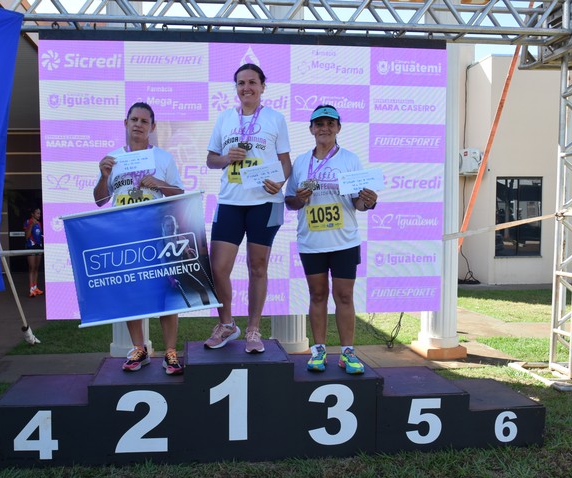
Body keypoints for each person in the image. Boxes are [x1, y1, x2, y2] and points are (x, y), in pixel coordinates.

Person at [204, 63, 292, 354]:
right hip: (230, 200)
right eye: (241, 83)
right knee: (218, 268)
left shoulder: (275, 119)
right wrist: (226, 157)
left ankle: (253, 329)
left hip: (264, 203)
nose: (246, 88)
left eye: (252, 82)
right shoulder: (225, 119)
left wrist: (279, 183)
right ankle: (227, 324)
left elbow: (285, 162)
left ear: (263, 86)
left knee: (257, 267)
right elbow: (210, 160)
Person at [93, 102, 185, 375]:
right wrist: (103, 175)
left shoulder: (163, 158)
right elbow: (100, 200)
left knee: (165, 294)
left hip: (157, 234)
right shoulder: (112, 159)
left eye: (144, 121)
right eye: (134, 119)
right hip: (124, 235)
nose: (138, 125)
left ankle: (170, 351)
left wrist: (160, 185)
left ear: (152, 127)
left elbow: (179, 192)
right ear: (125, 123)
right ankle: (139, 348)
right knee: (131, 292)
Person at [284, 105, 378, 374]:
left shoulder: (350, 160)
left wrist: (368, 202)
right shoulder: (302, 162)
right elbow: (290, 202)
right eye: (319, 123)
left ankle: (347, 352)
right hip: (312, 241)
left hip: (344, 241)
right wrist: (299, 199)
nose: (324, 128)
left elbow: (357, 202)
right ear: (311, 128)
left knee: (344, 296)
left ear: (338, 127)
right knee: (317, 295)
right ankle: (318, 350)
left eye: (330, 123)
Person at [24, 207, 44, 298]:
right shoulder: (28, 222)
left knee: (36, 267)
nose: (39, 215)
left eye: (39, 213)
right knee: (31, 267)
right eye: (37, 213)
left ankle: (35, 287)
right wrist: (31, 225)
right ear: (32, 214)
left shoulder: (39, 223)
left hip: (38, 246)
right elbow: (26, 237)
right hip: (30, 246)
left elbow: (39, 235)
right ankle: (31, 289)